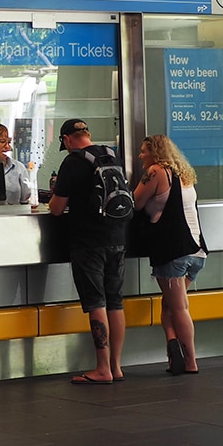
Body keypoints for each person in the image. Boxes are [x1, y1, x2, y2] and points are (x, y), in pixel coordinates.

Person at [48, 119, 127, 384]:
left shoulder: (73, 162)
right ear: (87, 135)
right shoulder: (111, 155)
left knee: (96, 302)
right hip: (117, 237)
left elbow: (57, 209)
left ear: (67, 139)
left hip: (88, 242)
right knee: (115, 301)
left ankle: (102, 368)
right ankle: (115, 366)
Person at [133, 135, 208, 375]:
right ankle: (171, 346)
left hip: (173, 251)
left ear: (155, 153)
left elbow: (135, 202)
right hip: (197, 251)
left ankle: (190, 362)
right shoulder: (184, 174)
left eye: (144, 151)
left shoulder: (156, 172)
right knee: (170, 304)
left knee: (179, 308)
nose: (140, 155)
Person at [0, 124, 31, 205]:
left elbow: (25, 201)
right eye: (3, 142)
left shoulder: (19, 168)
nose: (8, 147)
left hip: (12, 216)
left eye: (9, 142)